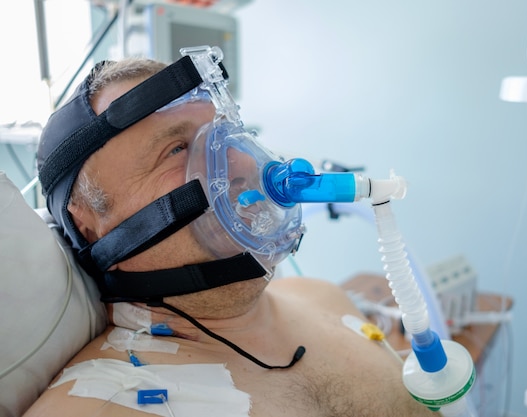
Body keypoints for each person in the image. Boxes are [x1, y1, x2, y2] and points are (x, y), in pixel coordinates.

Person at [24, 53, 439, 417]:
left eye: (226, 132)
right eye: (176, 149)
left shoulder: (323, 296)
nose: (241, 160)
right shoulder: (101, 405)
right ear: (90, 226)